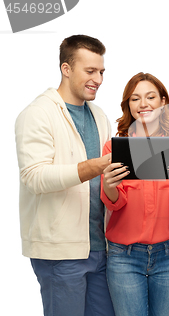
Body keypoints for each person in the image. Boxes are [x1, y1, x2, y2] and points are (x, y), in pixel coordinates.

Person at [14, 35, 115, 316]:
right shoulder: (37, 114)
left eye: (102, 72)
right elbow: (34, 177)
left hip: (100, 248)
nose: (98, 79)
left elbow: (108, 180)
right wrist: (93, 167)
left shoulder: (99, 116)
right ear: (66, 69)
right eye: (90, 71)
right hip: (59, 253)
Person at [100, 72, 169, 316]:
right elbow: (115, 203)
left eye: (150, 97)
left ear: (163, 102)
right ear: (128, 105)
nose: (143, 104)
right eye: (135, 99)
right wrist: (109, 184)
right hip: (124, 257)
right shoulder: (114, 147)